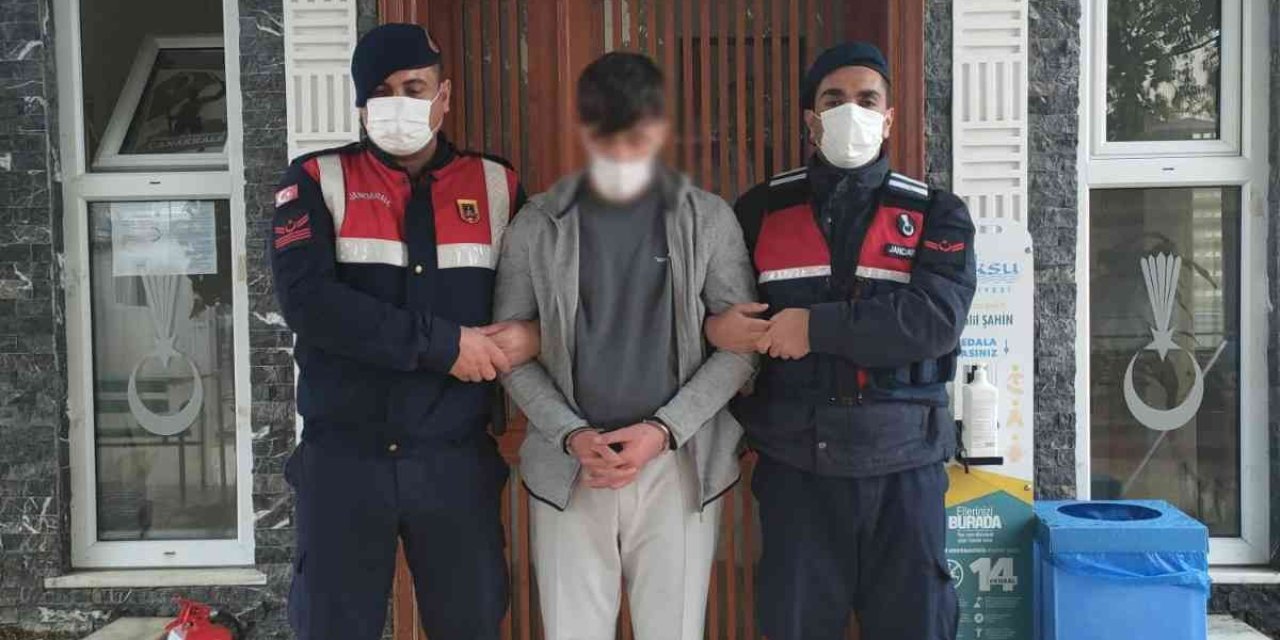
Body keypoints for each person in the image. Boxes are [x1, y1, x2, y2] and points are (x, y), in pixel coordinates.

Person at [269, 23, 539, 640]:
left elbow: (541, 294)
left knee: (471, 624)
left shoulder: (498, 185)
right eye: (382, 91)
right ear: (361, 105)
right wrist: (445, 346)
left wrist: (535, 336)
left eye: (414, 88)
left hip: (453, 460)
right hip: (345, 461)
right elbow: (309, 304)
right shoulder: (314, 179)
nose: (400, 103)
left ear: (444, 96)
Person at [706, 42, 975, 640]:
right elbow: (713, 305)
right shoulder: (759, 210)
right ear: (811, 119)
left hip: (905, 467)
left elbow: (934, 319)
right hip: (797, 468)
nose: (850, 110)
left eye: (866, 99)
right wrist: (712, 329)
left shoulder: (936, 213)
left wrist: (814, 327)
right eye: (834, 100)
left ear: (889, 117)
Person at [493, 52, 757, 640]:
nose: (621, 151)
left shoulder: (708, 219)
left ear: (661, 127)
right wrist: (571, 433)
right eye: (606, 133)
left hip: (678, 464)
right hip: (569, 468)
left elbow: (742, 347)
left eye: (635, 134)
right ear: (583, 128)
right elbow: (508, 350)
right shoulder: (537, 224)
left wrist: (664, 430)